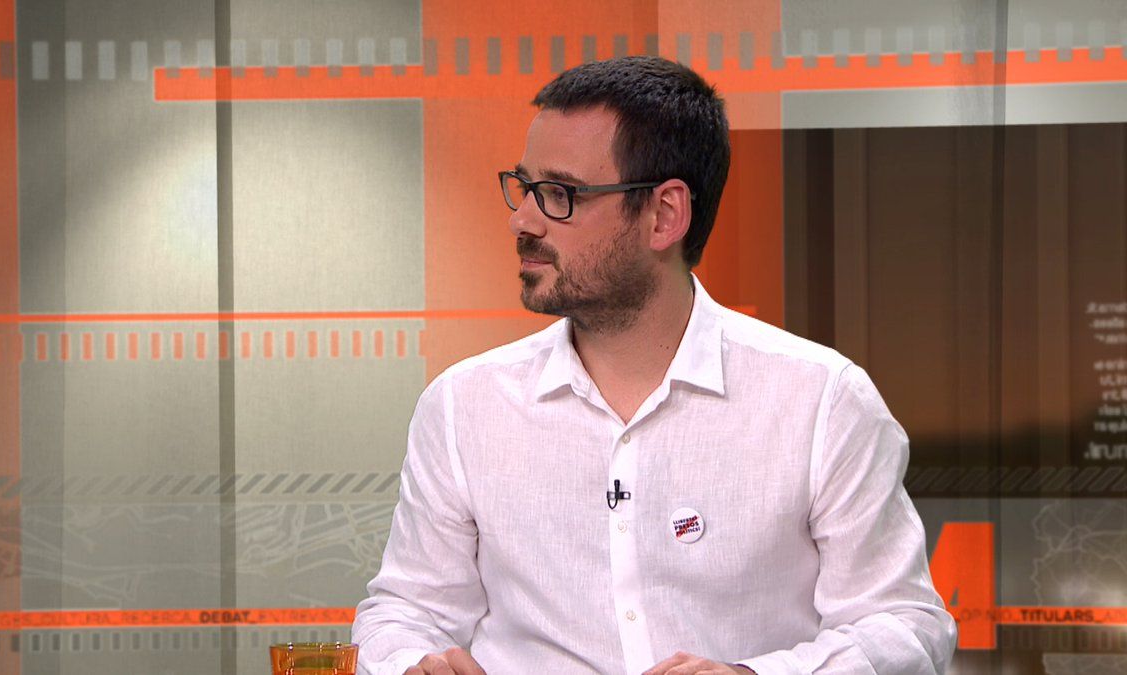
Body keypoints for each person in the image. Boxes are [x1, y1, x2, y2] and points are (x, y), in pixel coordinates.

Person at [352, 55, 956, 675]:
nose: (522, 220)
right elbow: (404, 611)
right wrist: (412, 663)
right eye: (525, 188)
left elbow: (904, 624)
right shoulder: (463, 405)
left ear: (664, 215)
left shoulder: (821, 399)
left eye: (560, 195)